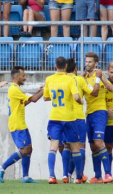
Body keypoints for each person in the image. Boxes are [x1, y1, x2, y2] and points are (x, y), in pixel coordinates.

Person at [0, 66, 43, 184]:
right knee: (24, 150)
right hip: (17, 125)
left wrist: (37, 92)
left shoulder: (15, 89)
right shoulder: (14, 89)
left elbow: (25, 102)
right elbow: (35, 99)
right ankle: (1, 167)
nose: (25, 77)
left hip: (21, 124)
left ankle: (25, 177)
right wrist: (45, 89)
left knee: (29, 148)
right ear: (17, 77)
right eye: (23, 75)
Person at [43, 56, 84, 184]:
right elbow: (76, 96)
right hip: (69, 117)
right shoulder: (70, 79)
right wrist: (80, 101)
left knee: (53, 147)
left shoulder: (49, 79)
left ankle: (51, 176)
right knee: (75, 147)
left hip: (55, 117)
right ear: (66, 67)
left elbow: (46, 97)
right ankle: (78, 177)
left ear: (56, 66)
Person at [65, 58, 99, 183]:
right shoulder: (80, 79)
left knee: (67, 147)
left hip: (63, 117)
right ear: (75, 69)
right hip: (78, 117)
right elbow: (94, 92)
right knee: (80, 147)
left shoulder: (60, 79)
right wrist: (98, 79)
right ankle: (79, 176)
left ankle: (66, 175)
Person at [83, 52, 113, 183]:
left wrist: (101, 78)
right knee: (92, 146)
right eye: (86, 62)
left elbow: (111, 89)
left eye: (90, 62)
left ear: (96, 63)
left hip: (100, 113)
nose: (87, 64)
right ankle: (97, 175)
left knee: (98, 142)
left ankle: (108, 174)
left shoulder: (100, 76)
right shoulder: (83, 77)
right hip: (89, 114)